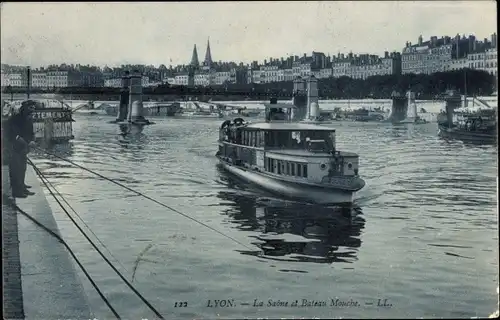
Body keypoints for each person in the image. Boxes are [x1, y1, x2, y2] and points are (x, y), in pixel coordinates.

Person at [5, 100, 37, 198]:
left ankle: (22, 186)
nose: (33, 110)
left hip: (23, 148)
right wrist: (26, 142)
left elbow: (30, 133)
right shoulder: (15, 119)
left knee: (23, 168)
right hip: (14, 147)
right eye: (31, 108)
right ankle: (16, 191)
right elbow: (15, 135)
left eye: (33, 108)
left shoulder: (28, 119)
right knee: (16, 169)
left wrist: (32, 140)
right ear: (25, 108)